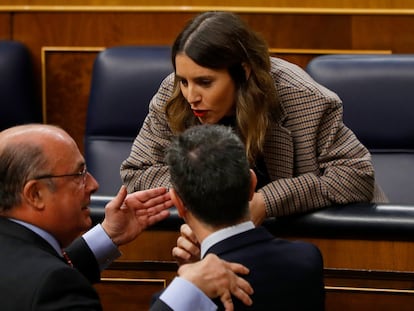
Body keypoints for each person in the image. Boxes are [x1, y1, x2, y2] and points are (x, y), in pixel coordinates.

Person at [120, 11, 388, 226]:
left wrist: (266, 202)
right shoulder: (173, 93)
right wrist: (217, 194)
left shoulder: (303, 98)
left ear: (243, 72)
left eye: (205, 82)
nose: (191, 96)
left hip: (329, 240)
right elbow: (137, 174)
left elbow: (355, 177)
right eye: (184, 81)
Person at [0, 124, 253, 311]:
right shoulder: (51, 287)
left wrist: (108, 235)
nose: (94, 184)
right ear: (35, 194)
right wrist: (186, 290)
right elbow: (43, 281)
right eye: (78, 175)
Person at [163, 124, 325, 310]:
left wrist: (186, 286)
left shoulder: (177, 299)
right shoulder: (307, 258)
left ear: (177, 202)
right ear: (252, 185)